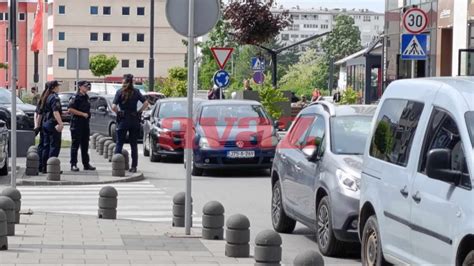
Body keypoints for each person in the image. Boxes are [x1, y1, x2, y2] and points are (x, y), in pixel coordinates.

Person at [112, 74, 149, 173]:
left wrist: (118, 113)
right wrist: (139, 111)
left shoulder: (119, 92)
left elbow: (113, 106)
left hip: (123, 119)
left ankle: (116, 165)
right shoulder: (136, 92)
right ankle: (134, 166)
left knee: (119, 143)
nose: (122, 84)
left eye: (123, 82)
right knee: (133, 145)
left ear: (125, 82)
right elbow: (146, 103)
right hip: (134, 119)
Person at [68, 81, 96, 172]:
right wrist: (82, 114)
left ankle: (86, 164)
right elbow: (70, 109)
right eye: (85, 86)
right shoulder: (75, 97)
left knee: (85, 144)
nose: (87, 88)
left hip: (85, 123)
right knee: (75, 144)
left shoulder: (86, 97)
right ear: (80, 87)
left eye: (88, 86)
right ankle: (73, 164)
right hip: (76, 123)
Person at [41, 80, 64, 173]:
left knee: (46, 146)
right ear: (54, 87)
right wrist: (61, 123)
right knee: (54, 146)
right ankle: (52, 168)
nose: (59, 87)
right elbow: (55, 111)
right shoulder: (55, 97)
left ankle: (44, 167)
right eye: (57, 86)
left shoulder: (46, 96)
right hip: (52, 124)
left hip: (46, 123)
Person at [34, 87, 49, 173]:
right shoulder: (48, 98)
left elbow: (36, 112)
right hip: (45, 124)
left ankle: (40, 165)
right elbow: (39, 113)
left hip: (42, 125)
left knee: (41, 145)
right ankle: (43, 166)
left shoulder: (43, 98)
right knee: (45, 145)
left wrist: (37, 125)